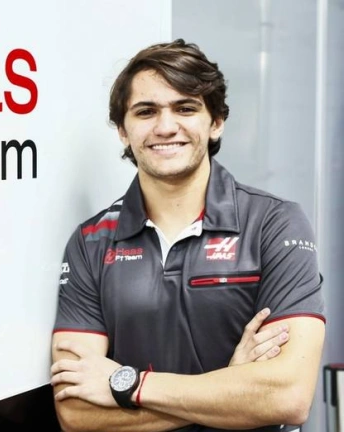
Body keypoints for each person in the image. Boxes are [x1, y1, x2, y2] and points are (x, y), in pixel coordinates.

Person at [50, 39, 326, 432]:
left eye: (185, 108)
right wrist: (230, 387)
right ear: (123, 131)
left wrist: (127, 385)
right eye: (146, 111)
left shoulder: (274, 223)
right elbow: (76, 412)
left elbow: (287, 397)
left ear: (216, 122)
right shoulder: (90, 242)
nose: (165, 127)